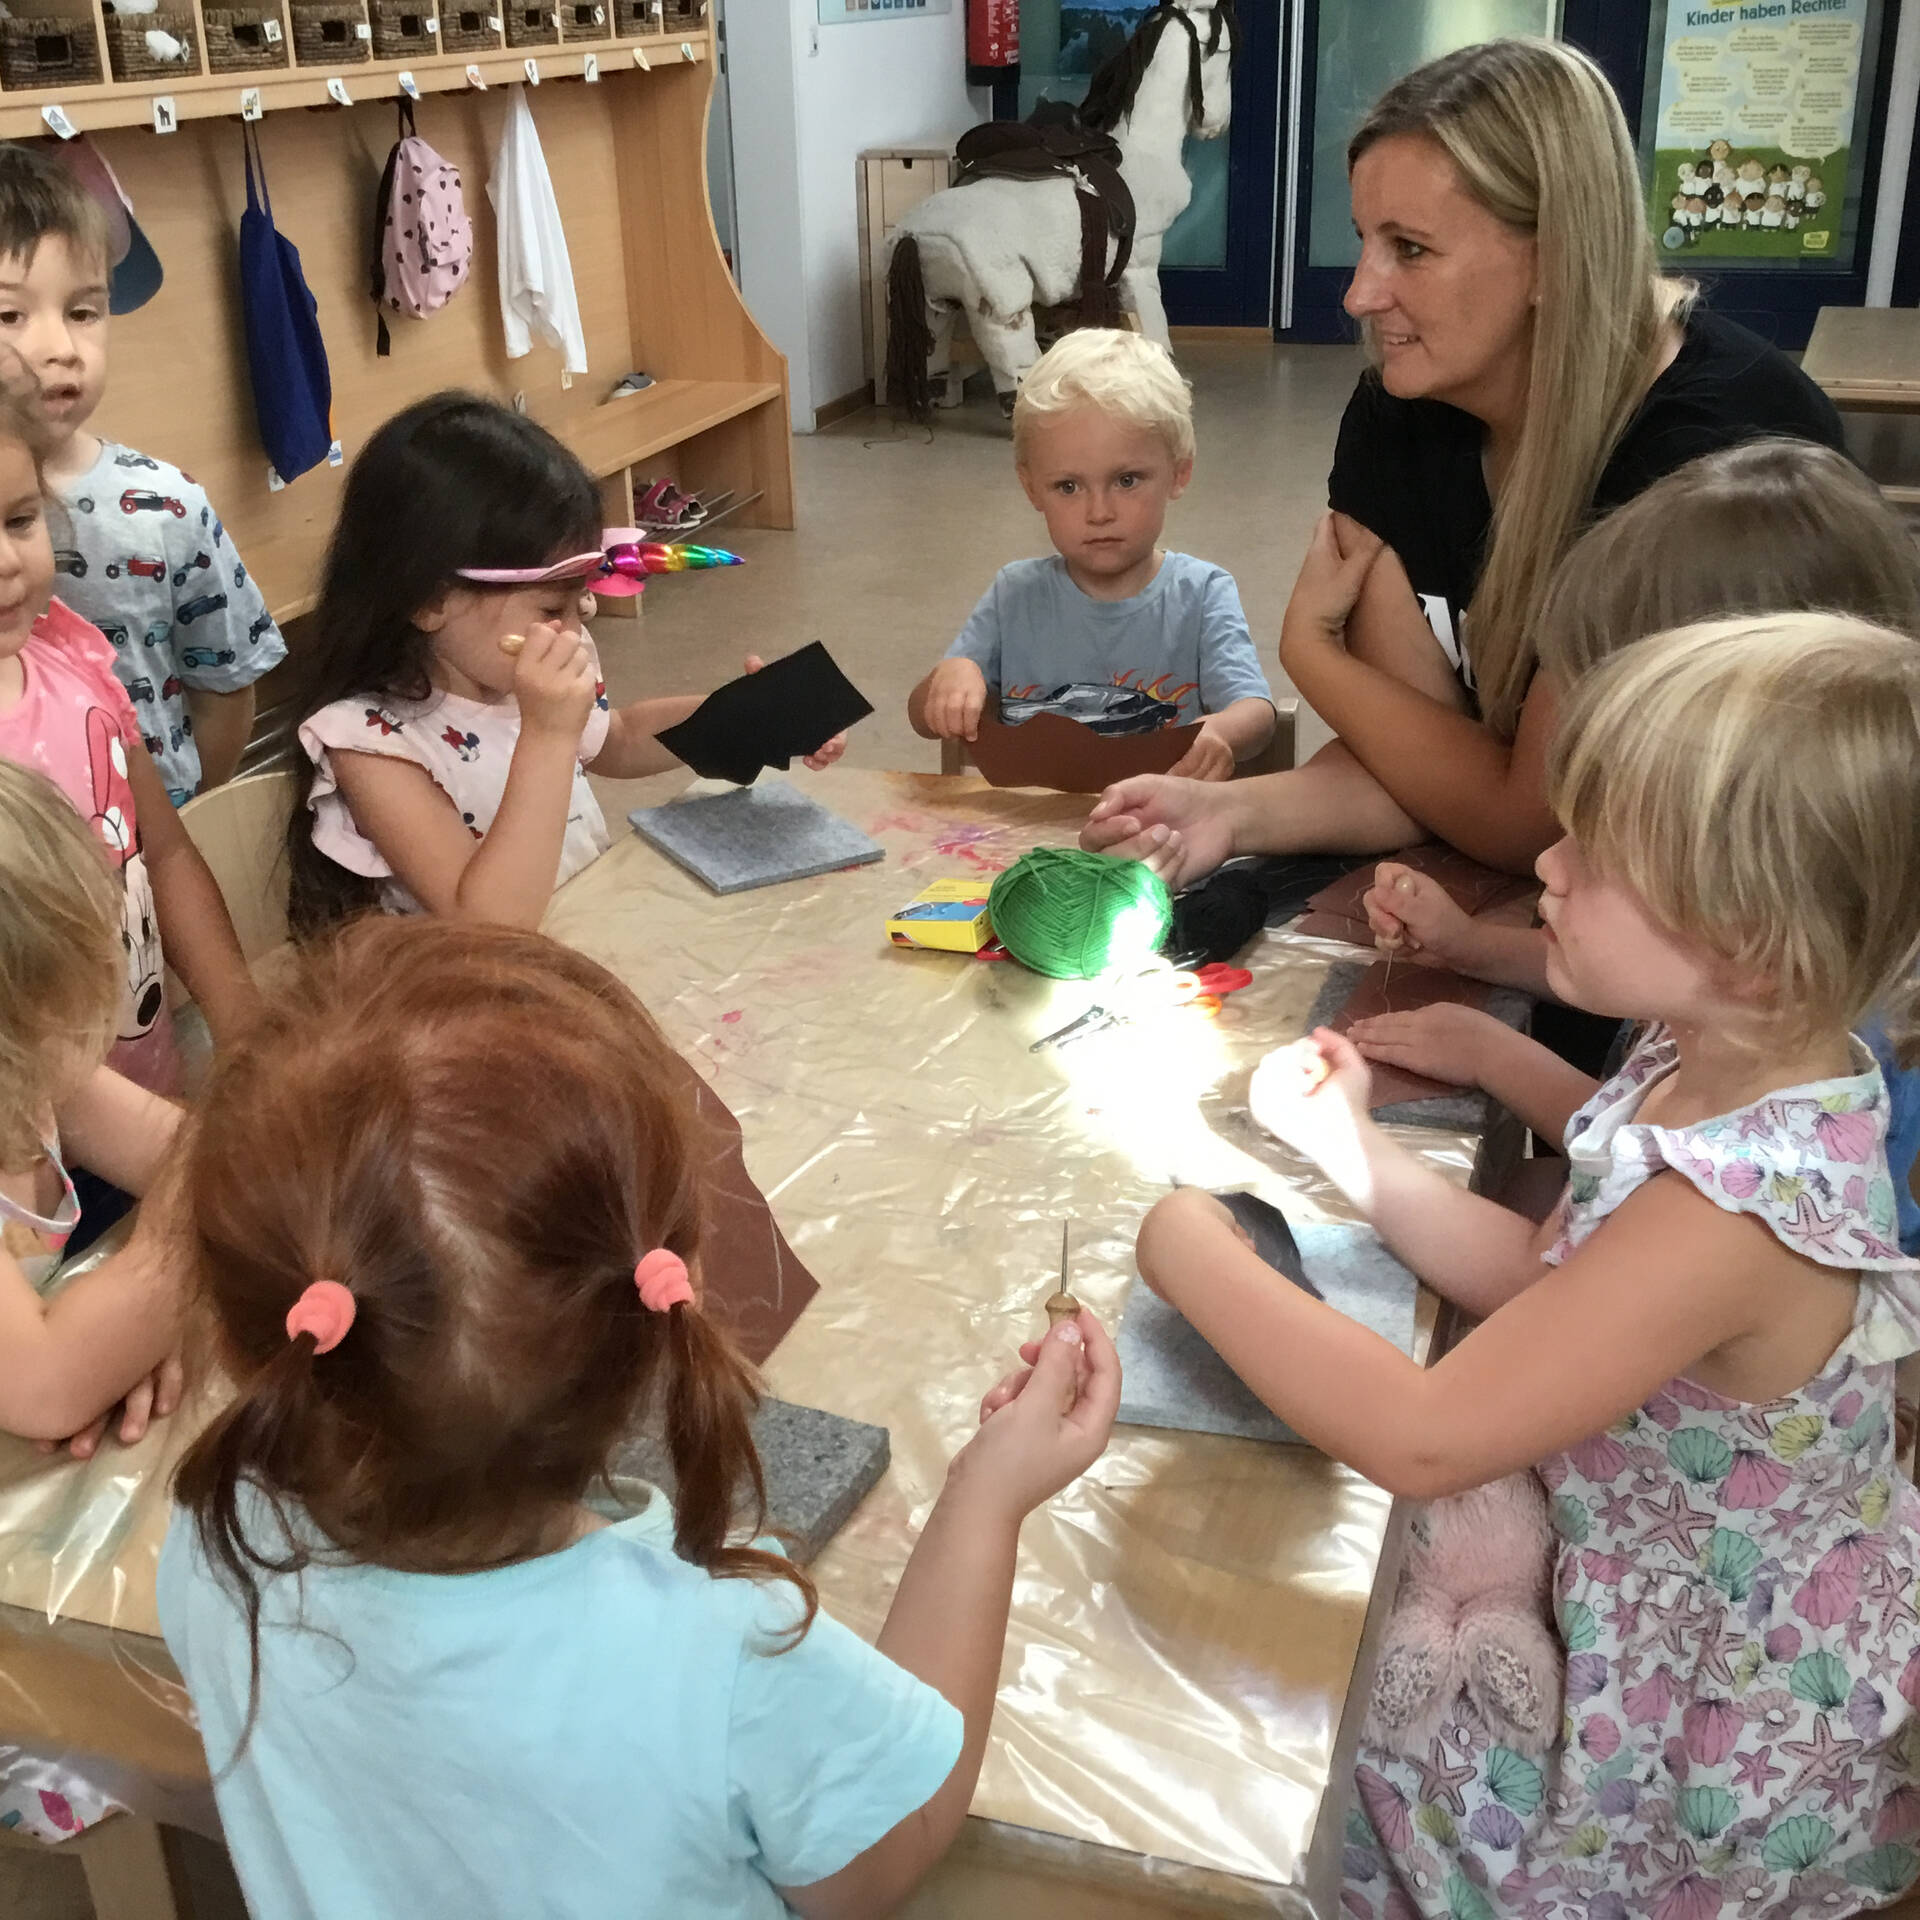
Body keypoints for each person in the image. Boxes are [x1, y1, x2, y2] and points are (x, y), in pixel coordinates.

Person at [1138, 613, 1920, 1918]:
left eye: (1595, 856)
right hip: (1652, 1561)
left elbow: (1424, 1438)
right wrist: (1357, 1149)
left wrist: (1187, 1248)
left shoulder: (1724, 1217)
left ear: (1749, 941)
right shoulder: (1734, 1045)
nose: (1547, 861)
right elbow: (1561, 1280)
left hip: (1692, 1696)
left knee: (1320, 1776)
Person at [158, 917, 1120, 1919]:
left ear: (241, 1334)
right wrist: (985, 1499)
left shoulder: (216, 1539)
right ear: (670, 1290)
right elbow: (881, 1860)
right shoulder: (719, 1653)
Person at [1080, 38, 1843, 885]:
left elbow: (1526, 822)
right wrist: (1227, 813)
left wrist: (1313, 654)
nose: (1359, 294)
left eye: (1409, 248)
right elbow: (1422, 771)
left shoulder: (1713, 454)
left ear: (1555, 256)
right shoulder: (1401, 409)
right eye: (1365, 240)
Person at [1346, 440, 1920, 1254]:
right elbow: (1633, 1147)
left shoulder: (1781, 1119)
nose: (1551, 857)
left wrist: (1335, 1155)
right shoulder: (1769, 983)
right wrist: (1473, 961)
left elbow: (1587, 1256)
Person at [285, 393, 846, 932]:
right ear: (430, 600)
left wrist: (743, 716)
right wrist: (548, 735)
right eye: (552, 607)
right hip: (485, 983)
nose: (576, 627)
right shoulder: (371, 744)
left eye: (581, 601)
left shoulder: (527, 669)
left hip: (585, 939)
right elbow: (488, 924)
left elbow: (617, 738)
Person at [0, 142, 285, 805]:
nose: (61, 349)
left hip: (152, 837)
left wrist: (183, 821)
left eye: (83, 312)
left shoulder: (164, 505)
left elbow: (225, 685)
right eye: (9, 315)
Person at [0, 367, 257, 1103]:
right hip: (37, 1145)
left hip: (153, 1086)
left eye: (19, 521)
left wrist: (246, 1031)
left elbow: (164, 854)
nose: (7, 562)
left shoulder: (77, 664)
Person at [908, 329, 1273, 782]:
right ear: (1031, 487)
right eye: (1068, 486)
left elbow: (1256, 713)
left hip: (1160, 818)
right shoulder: (1014, 593)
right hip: (1027, 820)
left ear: (1179, 474)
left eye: (1126, 480)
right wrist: (950, 677)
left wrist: (1220, 732)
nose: (1099, 513)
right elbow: (922, 718)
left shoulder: (1202, 593)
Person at [0, 757, 182, 1458]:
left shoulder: (37, 1070)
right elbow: (49, 1387)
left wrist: (127, 1335)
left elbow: (213, 1153)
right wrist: (133, 1323)